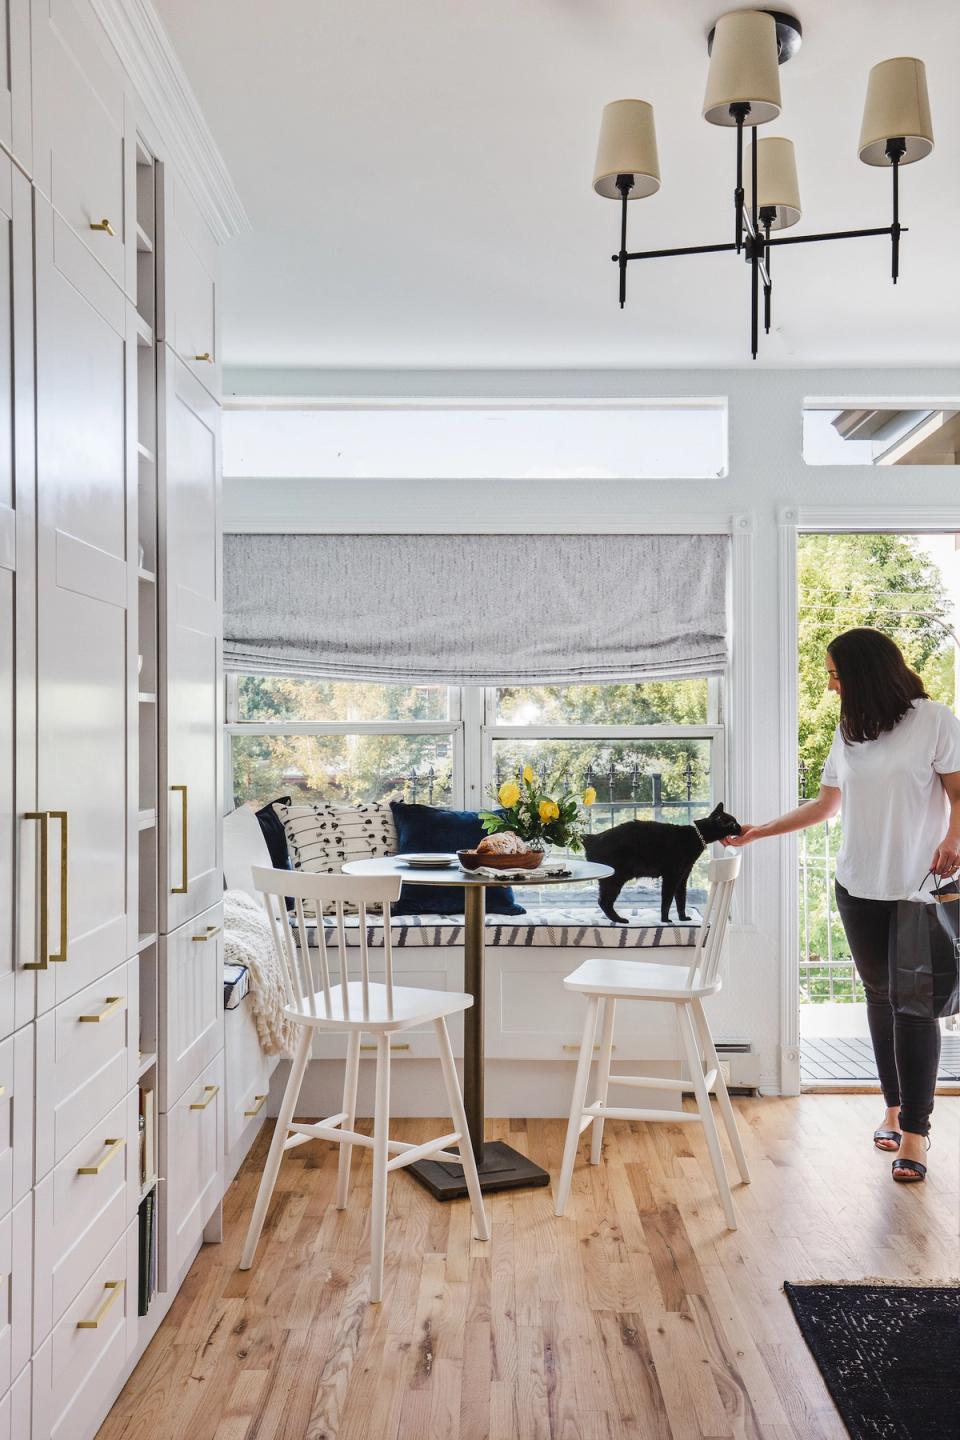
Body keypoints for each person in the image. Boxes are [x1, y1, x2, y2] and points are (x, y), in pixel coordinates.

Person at [724, 627, 960, 1183]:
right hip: (858, 886)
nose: (830, 685)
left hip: (917, 887)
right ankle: (893, 1109)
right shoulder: (850, 729)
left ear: (865, 673)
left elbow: (959, 793)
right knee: (880, 996)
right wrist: (760, 832)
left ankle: (917, 1135)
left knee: (915, 1006)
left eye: (835, 674)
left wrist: (954, 840)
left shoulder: (934, 719)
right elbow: (828, 803)